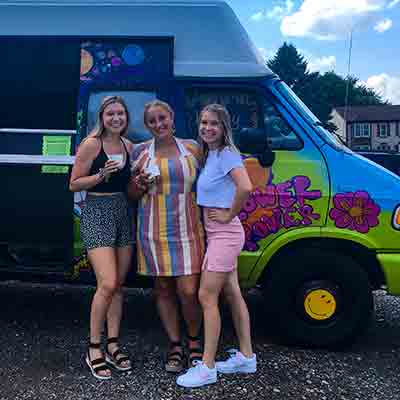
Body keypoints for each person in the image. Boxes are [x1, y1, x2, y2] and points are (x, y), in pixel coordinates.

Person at [177, 104, 256, 388]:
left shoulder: (227, 154)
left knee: (206, 296)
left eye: (214, 124)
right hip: (218, 234)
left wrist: (229, 214)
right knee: (233, 293)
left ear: (224, 128)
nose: (208, 128)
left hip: (225, 234)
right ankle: (246, 357)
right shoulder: (211, 155)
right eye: (204, 122)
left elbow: (245, 187)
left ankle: (207, 367)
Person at [128, 100, 205, 373]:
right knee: (163, 289)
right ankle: (175, 346)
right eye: (152, 121)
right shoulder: (139, 152)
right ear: (147, 125)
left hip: (188, 229)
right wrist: (137, 185)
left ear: (172, 117)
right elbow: (132, 195)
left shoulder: (194, 148)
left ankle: (194, 342)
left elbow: (212, 179)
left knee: (188, 291)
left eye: (163, 118)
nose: (159, 125)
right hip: (153, 230)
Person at [69, 96, 134, 380]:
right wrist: (99, 175)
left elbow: (130, 188)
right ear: (102, 117)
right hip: (96, 210)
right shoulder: (91, 144)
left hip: (123, 211)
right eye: (111, 114)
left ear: (126, 117)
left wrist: (141, 180)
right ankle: (94, 348)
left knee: (119, 285)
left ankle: (114, 344)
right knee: (106, 283)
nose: (116, 118)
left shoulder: (129, 146)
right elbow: (73, 183)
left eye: (120, 114)